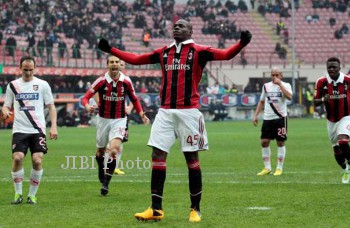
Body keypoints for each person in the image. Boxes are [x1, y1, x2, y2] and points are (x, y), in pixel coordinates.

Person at [98, 19, 252, 222]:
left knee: (191, 159)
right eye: (175, 26)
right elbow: (136, 59)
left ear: (191, 30)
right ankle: (156, 209)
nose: (176, 28)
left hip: (189, 113)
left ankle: (195, 209)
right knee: (157, 155)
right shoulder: (164, 52)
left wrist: (241, 43)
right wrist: (111, 49)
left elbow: (225, 54)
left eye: (181, 26)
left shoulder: (199, 51)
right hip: (165, 112)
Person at [81, 55, 150, 196]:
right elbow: (85, 97)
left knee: (114, 149)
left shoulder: (126, 81)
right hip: (103, 119)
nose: (114, 64)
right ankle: (101, 166)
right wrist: (87, 106)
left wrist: (142, 113)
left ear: (120, 64)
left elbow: (134, 99)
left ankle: (106, 184)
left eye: (116, 62)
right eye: (111, 62)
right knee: (100, 152)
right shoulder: (101, 81)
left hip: (119, 119)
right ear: (107, 64)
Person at [1, 56, 58, 204]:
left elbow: (51, 106)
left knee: (37, 161)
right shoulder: (13, 86)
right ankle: (18, 194)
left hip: (38, 129)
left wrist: (53, 126)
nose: (28, 73)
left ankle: (32, 195)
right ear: (20, 68)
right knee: (18, 158)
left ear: (34, 68)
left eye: (31, 70)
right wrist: (5, 111)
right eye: (25, 70)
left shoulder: (42, 84)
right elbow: (6, 105)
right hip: (19, 129)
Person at [313, 57, 350, 184]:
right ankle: (344, 170)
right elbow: (315, 102)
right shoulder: (321, 82)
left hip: (347, 115)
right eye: (329, 67)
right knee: (336, 148)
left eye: (334, 67)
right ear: (327, 68)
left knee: (343, 141)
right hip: (331, 120)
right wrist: (323, 99)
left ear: (339, 68)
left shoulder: (347, 78)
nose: (332, 69)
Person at [252, 67, 292, 176]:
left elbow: (289, 97)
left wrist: (280, 85)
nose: (274, 77)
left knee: (280, 142)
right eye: (272, 75)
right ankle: (267, 168)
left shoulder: (286, 85)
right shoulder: (266, 86)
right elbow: (261, 101)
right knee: (264, 142)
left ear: (281, 75)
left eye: (276, 75)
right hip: (267, 118)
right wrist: (256, 115)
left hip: (280, 118)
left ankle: (279, 168)